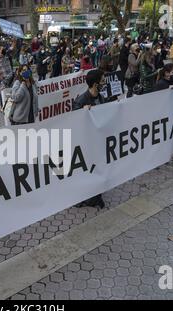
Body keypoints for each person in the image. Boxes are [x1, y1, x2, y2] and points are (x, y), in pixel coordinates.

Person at [72, 69, 106, 209]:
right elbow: (73, 122)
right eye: (102, 80)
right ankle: (82, 197)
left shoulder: (101, 98)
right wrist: (82, 113)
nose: (104, 82)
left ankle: (96, 196)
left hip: (97, 141)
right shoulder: (81, 100)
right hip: (86, 143)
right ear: (95, 83)